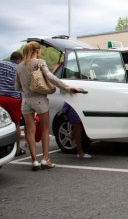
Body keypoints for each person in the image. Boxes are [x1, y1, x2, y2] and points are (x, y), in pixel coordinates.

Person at [15, 42, 81, 171]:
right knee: (45, 129)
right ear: (37, 51)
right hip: (40, 100)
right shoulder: (39, 63)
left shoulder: (19, 67)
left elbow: (17, 87)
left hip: (26, 101)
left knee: (30, 131)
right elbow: (51, 77)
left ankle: (34, 161)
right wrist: (66, 87)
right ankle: (45, 159)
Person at [0, 51, 25, 156]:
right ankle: (17, 149)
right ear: (19, 59)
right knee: (16, 124)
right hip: (13, 99)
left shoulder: (1, 64)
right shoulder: (20, 68)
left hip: (0, 97)